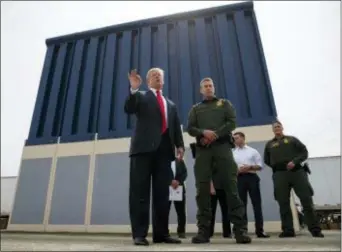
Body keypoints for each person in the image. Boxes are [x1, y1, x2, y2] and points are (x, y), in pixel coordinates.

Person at [124, 68, 185, 246]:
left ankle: (161, 234)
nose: (157, 77)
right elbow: (129, 108)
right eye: (153, 75)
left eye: (159, 75)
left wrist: (180, 145)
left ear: (163, 81)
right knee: (139, 193)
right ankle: (139, 234)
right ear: (148, 81)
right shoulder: (141, 97)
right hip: (142, 150)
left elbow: (175, 126)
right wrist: (134, 89)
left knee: (162, 195)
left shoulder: (171, 105)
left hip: (164, 153)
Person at [187, 77, 251, 244]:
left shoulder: (225, 104)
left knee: (231, 187)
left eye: (210, 85)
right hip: (203, 152)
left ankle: (240, 231)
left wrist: (214, 135)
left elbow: (232, 123)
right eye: (205, 86)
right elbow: (191, 129)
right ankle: (203, 232)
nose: (208, 88)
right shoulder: (196, 109)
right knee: (202, 190)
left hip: (223, 149)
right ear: (201, 90)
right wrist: (203, 132)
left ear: (214, 88)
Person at [263, 120, 324, 238]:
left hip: (297, 172)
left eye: (278, 126)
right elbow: (267, 160)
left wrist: (295, 162)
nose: (277, 128)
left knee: (306, 200)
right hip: (280, 174)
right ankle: (288, 230)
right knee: (283, 202)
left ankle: (315, 229)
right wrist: (278, 167)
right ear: (272, 130)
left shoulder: (292, 140)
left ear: (282, 127)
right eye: (274, 127)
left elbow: (304, 152)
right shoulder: (269, 144)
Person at [232, 132, 270, 238]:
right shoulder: (232, 153)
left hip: (252, 177)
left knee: (256, 204)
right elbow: (230, 168)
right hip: (239, 179)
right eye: (234, 138)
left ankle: (260, 230)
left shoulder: (253, 151)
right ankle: (242, 230)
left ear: (243, 138)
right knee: (241, 205)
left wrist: (249, 167)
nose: (235, 140)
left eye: (237, 138)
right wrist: (237, 170)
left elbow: (260, 166)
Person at [209, 164, 232, 238]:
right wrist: (211, 187)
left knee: (226, 212)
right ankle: (209, 232)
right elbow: (208, 175)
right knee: (211, 211)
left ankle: (227, 233)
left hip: (224, 189)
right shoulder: (212, 161)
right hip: (214, 189)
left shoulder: (225, 162)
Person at [169, 158, 188, 239]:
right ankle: (164, 231)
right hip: (167, 187)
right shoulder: (164, 160)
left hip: (179, 188)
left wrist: (178, 181)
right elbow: (161, 173)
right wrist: (170, 181)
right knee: (164, 211)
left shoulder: (180, 161)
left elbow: (185, 173)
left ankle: (181, 232)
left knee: (181, 212)